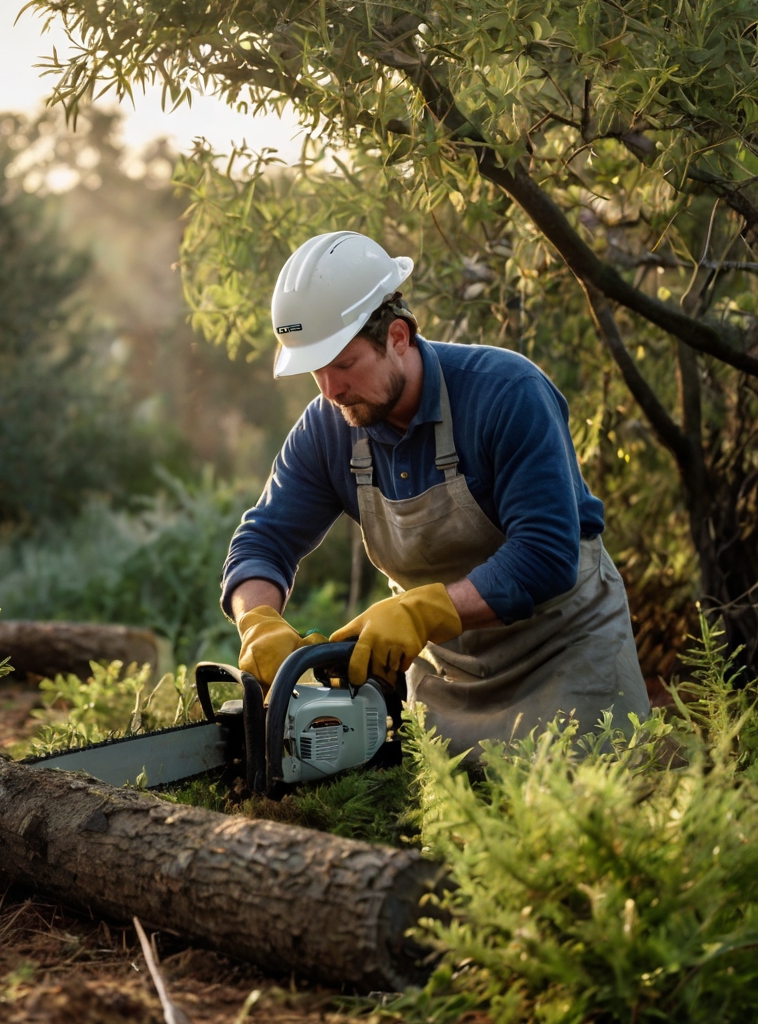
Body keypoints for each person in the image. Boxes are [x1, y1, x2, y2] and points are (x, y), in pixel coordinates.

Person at [222, 231, 650, 756]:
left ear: (397, 337)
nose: (330, 390)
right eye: (316, 371)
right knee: (450, 828)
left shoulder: (508, 394)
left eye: (344, 364)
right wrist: (257, 620)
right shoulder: (328, 429)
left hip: (565, 652)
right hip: (449, 674)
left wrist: (421, 613)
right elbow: (262, 542)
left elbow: (545, 555)